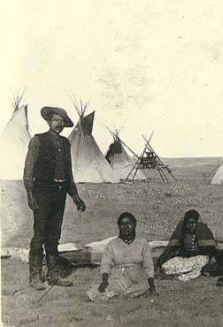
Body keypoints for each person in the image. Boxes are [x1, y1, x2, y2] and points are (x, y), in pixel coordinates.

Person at [23, 106, 87, 290]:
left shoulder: (65, 144)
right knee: (40, 235)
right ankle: (35, 276)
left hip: (59, 194)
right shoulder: (38, 141)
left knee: (54, 236)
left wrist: (75, 197)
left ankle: (53, 274)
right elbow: (28, 170)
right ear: (49, 121)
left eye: (61, 121)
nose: (58, 123)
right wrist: (30, 194)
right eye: (56, 119)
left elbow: (68, 173)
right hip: (42, 193)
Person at [88, 212, 155, 301]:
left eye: (129, 223)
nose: (126, 227)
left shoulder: (143, 243)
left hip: (138, 276)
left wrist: (152, 284)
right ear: (119, 226)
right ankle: (123, 294)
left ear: (135, 225)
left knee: (145, 286)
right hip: (119, 275)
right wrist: (104, 281)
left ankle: (120, 295)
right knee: (114, 286)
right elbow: (106, 264)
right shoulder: (113, 244)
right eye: (122, 224)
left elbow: (148, 266)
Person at [157, 209, 217, 282]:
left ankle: (180, 275)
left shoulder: (203, 232)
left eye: (193, 223)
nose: (191, 225)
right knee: (166, 266)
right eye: (188, 223)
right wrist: (160, 263)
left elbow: (211, 250)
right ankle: (183, 275)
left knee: (196, 265)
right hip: (185, 259)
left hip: (200, 258)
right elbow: (170, 249)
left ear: (197, 222)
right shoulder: (182, 232)